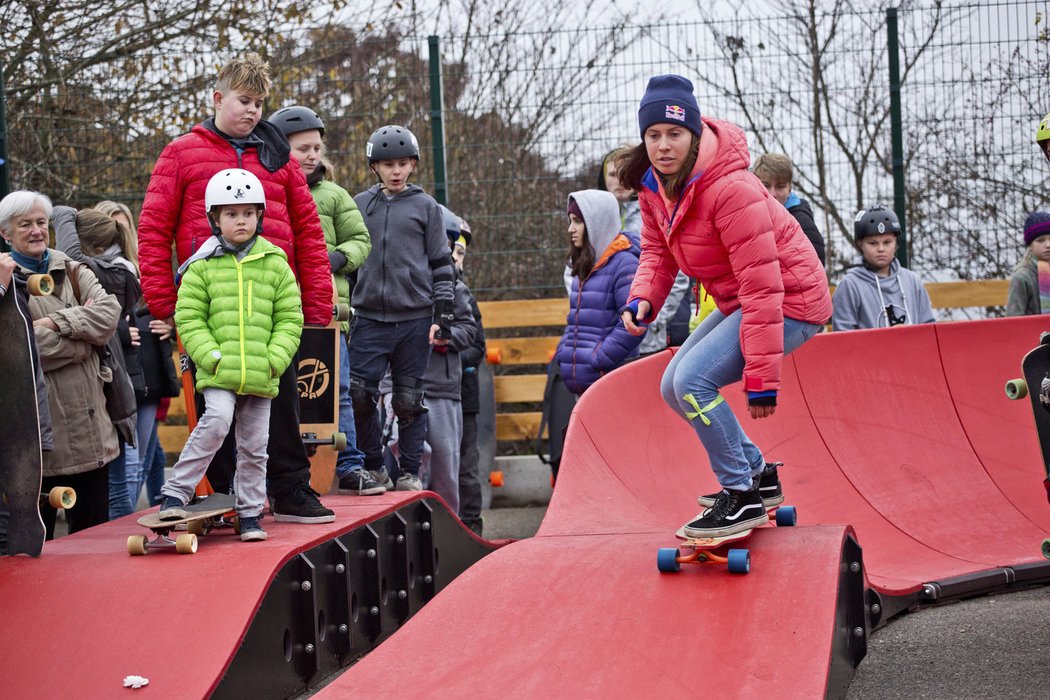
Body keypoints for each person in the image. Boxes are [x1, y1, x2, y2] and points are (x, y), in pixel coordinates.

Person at [618, 74, 831, 538]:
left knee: (694, 382)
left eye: (675, 134)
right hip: (743, 299)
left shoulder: (730, 189)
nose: (663, 145)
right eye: (653, 135)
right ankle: (757, 474)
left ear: (694, 135)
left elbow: (763, 288)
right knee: (673, 385)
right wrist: (642, 300)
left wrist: (761, 380)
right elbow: (657, 253)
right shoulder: (656, 188)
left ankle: (740, 496)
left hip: (791, 301)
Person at [137, 54, 334, 523]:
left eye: (259, 103)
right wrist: (164, 302)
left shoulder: (278, 157)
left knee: (281, 401)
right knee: (215, 405)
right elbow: (153, 227)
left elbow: (307, 229)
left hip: (270, 300)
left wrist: (317, 302)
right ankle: (225, 493)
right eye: (243, 101)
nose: (252, 111)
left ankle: (290, 491)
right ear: (218, 98)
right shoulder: (182, 152)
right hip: (208, 304)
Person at [158, 169, 303, 542]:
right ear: (215, 219)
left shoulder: (275, 263)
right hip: (219, 369)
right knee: (217, 420)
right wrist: (211, 357)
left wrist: (274, 359)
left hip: (261, 372)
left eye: (248, 213)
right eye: (231, 214)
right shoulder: (200, 266)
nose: (241, 221)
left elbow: (290, 318)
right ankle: (177, 490)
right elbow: (188, 317)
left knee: (256, 446)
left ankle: (250, 512)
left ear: (259, 216)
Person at [267, 105, 378, 495]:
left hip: (327, 311)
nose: (313, 155)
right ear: (282, 150)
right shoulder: (270, 194)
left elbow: (361, 240)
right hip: (278, 312)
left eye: (316, 147)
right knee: (284, 393)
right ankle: (285, 471)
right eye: (302, 149)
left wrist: (333, 260)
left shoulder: (333, 195)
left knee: (337, 389)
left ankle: (350, 465)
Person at [0, 191, 122, 536]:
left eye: (41, 222)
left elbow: (108, 315)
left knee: (94, 540)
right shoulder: (4, 280)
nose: (37, 230)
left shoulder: (71, 268)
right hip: (41, 444)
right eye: (25, 224)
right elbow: (19, 346)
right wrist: (82, 344)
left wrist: (55, 323)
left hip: (93, 436)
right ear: (6, 233)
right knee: (40, 546)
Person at [349, 124, 455, 493]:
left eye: (402, 163)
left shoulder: (426, 207)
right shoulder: (361, 205)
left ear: (413, 164)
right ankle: (374, 466)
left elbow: (442, 264)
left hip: (414, 318)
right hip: (368, 317)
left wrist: (442, 314)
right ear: (374, 166)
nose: (396, 171)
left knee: (409, 399)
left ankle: (409, 472)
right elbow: (349, 259)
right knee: (360, 394)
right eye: (387, 164)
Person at [52, 205, 142, 519]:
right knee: (125, 471)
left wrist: (62, 214)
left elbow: (68, 255)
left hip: (115, 380)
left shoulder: (111, 272)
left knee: (121, 477)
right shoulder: (115, 268)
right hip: (113, 377)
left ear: (96, 249)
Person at [556, 190, 642, 395]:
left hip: (611, 384)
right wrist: (564, 352)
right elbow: (575, 321)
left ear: (597, 223)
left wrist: (599, 360)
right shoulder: (585, 265)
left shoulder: (625, 264)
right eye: (570, 221)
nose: (570, 229)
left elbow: (634, 322)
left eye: (577, 221)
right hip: (585, 385)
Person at [831, 205, 935, 331]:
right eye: (873, 243)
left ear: (896, 242)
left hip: (912, 350)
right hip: (868, 351)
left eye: (887, 242)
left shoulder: (912, 281)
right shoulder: (850, 285)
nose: (881, 249)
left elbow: (928, 327)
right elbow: (844, 337)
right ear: (860, 245)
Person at [453, 217, 487, 536]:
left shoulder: (465, 294)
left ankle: (472, 526)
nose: (455, 258)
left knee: (466, 465)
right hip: (429, 395)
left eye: (461, 253)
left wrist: (450, 359)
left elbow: (478, 345)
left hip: (463, 394)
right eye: (452, 249)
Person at [752, 152, 827, 266]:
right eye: (766, 185)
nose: (772, 193)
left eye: (780, 187)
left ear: (790, 189)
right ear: (754, 185)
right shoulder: (746, 216)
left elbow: (816, 267)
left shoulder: (801, 221)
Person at [1007, 212, 1050, 317]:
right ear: (1030, 245)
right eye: (1040, 240)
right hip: (1034, 332)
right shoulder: (1022, 277)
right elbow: (1014, 318)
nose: (1048, 245)